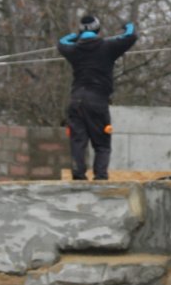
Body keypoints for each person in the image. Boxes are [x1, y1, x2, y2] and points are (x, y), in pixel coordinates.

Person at [57, 13, 137, 181]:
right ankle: (100, 177)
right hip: (97, 101)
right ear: (98, 30)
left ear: (80, 32)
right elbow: (130, 36)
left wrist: (74, 36)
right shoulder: (108, 47)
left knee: (78, 141)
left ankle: (78, 175)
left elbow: (62, 42)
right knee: (102, 143)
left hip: (76, 101)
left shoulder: (73, 50)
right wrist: (128, 25)